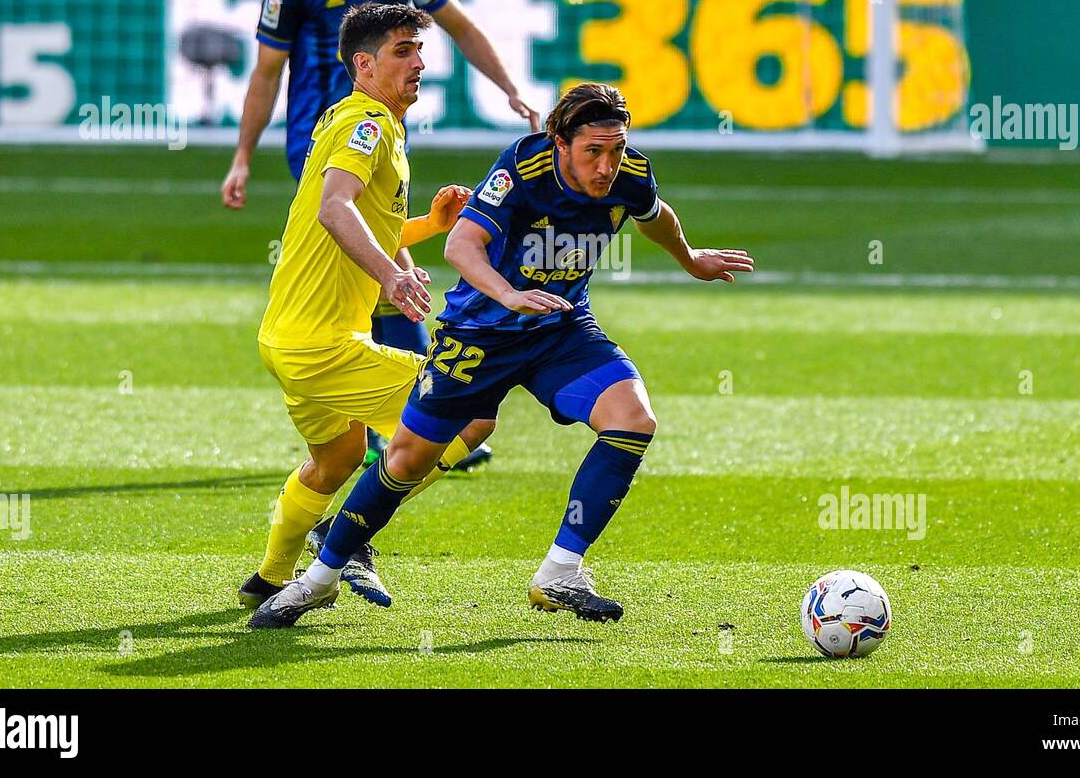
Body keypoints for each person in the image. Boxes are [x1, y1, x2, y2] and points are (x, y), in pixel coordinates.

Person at [250, 82, 755, 628]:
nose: (607, 165)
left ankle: (559, 572)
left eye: (615, 149)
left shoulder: (628, 172)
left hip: (559, 328)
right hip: (479, 336)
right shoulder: (521, 169)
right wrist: (509, 294)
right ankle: (317, 580)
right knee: (406, 459)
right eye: (594, 152)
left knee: (633, 420)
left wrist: (689, 258)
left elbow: (654, 213)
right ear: (559, 142)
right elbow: (459, 245)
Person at [223, 0, 533, 467]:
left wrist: (510, 88)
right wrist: (242, 156)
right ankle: (414, 418)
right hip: (323, 139)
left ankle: (392, 419)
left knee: (386, 261)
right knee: (382, 261)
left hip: (385, 132)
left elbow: (462, 28)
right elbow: (265, 74)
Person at [239, 1, 496, 610]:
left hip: (287, 338)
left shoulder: (359, 118)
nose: (419, 63)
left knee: (338, 459)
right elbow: (335, 209)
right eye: (402, 52)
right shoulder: (369, 126)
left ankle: (270, 578)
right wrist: (391, 277)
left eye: (419, 50)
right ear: (364, 64)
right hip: (323, 345)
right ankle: (348, 537)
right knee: (471, 411)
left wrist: (428, 227)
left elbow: (359, 220)